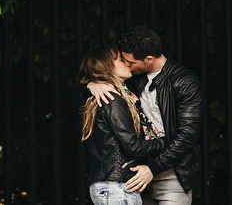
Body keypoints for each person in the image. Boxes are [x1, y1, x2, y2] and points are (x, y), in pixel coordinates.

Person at [86, 26, 202, 205]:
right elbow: (101, 75)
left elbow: (187, 137)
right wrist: (94, 84)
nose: (126, 64)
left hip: (170, 175)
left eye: (130, 62)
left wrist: (153, 169)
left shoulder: (183, 83)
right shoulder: (133, 77)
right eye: (122, 60)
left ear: (148, 59)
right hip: (133, 176)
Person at [78, 46, 168, 205]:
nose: (127, 63)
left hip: (112, 185)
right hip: (117, 186)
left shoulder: (116, 95)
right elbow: (132, 146)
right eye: (120, 59)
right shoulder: (112, 99)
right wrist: (165, 141)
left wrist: (91, 84)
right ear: (106, 66)